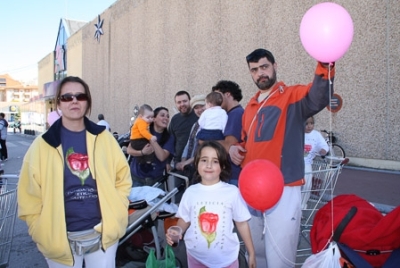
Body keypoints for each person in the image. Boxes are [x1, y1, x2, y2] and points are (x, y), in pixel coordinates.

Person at [229, 48, 335, 267]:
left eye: (264, 67)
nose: (261, 73)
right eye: (255, 70)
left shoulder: (292, 95)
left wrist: (325, 64)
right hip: (251, 189)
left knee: (281, 256)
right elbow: (245, 141)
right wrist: (234, 150)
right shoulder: (250, 106)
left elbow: (318, 97)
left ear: (275, 66)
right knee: (255, 253)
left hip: (284, 187)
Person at [17, 76, 132, 268]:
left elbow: (123, 178)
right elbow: (28, 193)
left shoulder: (104, 138)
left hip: (103, 233)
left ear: (88, 101)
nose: (74, 101)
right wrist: (39, 229)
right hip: (58, 238)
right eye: (67, 97)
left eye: (80, 96)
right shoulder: (42, 145)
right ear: (58, 103)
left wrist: (117, 210)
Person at [166, 141, 256, 268]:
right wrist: (177, 230)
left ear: (223, 166)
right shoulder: (190, 192)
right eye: (204, 160)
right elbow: (184, 219)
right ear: (196, 163)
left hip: (227, 259)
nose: (209, 165)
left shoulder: (232, 192)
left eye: (215, 161)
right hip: (196, 258)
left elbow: (242, 223)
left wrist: (251, 253)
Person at [127, 106, 175, 187]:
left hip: (156, 181)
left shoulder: (169, 137)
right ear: (154, 119)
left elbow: (162, 157)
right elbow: (129, 150)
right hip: (136, 178)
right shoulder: (142, 130)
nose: (166, 118)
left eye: (167, 116)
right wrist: (142, 152)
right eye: (162, 115)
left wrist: (150, 138)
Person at [211, 80, 244, 186]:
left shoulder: (236, 113)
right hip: (230, 174)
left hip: (234, 176)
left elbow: (230, 144)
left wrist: (207, 141)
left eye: (217, 96)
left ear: (228, 94)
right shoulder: (231, 114)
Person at [175, 94, 206, 180]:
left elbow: (206, 149)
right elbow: (188, 144)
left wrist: (187, 162)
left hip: (204, 169)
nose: (199, 110)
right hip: (192, 170)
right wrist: (183, 161)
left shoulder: (211, 124)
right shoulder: (195, 125)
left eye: (202, 106)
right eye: (196, 108)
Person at [302, 116, 329, 209]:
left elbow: (323, 144)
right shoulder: (297, 133)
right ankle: (293, 207)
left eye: (311, 123)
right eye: (306, 124)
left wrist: (323, 150)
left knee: (306, 186)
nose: (309, 126)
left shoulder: (316, 135)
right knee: (294, 187)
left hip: (307, 163)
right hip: (295, 163)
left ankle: (302, 207)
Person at [168, 91, 199, 165]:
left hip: (196, 162)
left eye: (185, 101)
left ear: (190, 101)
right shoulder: (175, 119)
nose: (182, 104)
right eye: (179, 102)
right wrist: (167, 162)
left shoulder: (198, 116)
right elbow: (170, 142)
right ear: (176, 104)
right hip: (178, 163)